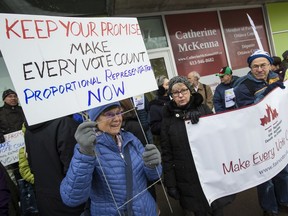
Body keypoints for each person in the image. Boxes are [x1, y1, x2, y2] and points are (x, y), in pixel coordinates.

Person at [60, 101, 162, 216]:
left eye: (119, 113)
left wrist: (153, 165)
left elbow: (154, 176)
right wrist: (84, 154)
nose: (117, 119)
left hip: (147, 210)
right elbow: (71, 198)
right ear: (95, 118)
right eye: (109, 114)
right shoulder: (87, 148)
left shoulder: (131, 139)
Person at [161, 76, 232, 216]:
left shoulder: (204, 109)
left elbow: (218, 137)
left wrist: (201, 116)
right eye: (175, 92)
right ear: (171, 96)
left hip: (210, 172)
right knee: (199, 211)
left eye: (183, 90)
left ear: (190, 91)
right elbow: (166, 153)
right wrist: (170, 183)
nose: (180, 95)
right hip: (187, 177)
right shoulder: (167, 119)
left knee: (217, 210)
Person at [233, 49, 288, 216]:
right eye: (255, 66)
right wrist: (267, 92)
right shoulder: (242, 86)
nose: (259, 69)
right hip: (257, 138)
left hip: (277, 134)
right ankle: (269, 208)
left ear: (270, 65)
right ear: (250, 67)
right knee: (265, 176)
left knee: (283, 170)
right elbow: (247, 112)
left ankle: (284, 201)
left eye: (263, 65)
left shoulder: (275, 77)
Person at [24, 116, 85, 216]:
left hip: (45, 201)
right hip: (70, 202)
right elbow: (76, 170)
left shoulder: (28, 131)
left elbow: (32, 167)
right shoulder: (65, 124)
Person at [0, 89, 26, 183]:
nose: (13, 98)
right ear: (4, 99)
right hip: (9, 152)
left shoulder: (23, 110)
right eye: (10, 96)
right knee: (15, 175)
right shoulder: (0, 112)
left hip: (26, 146)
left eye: (15, 96)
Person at [148, 75, 170, 146]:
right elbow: (154, 128)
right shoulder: (154, 106)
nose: (170, 86)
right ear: (160, 88)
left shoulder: (174, 100)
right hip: (167, 142)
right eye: (167, 84)